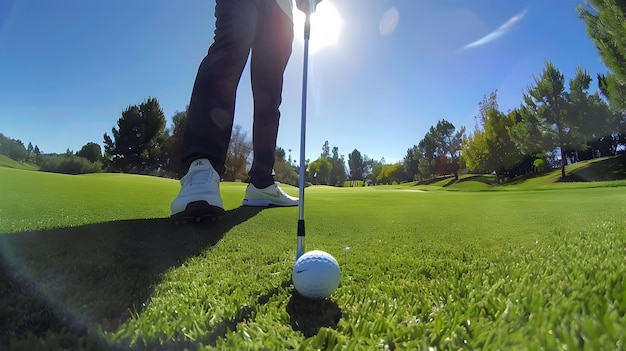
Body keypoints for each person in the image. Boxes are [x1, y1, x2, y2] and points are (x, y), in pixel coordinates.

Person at [170, 0, 322, 221]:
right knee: (230, 47)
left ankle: (262, 182)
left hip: (281, 10)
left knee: (269, 93)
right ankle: (202, 168)